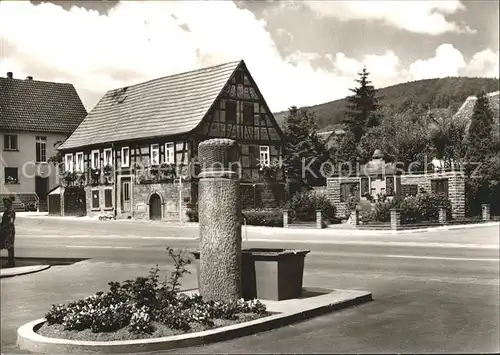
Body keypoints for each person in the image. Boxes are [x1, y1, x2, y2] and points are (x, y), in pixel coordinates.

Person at [1, 196, 16, 267]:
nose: (5, 204)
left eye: (6, 203)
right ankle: (10, 261)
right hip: (5, 230)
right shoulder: (7, 210)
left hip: (9, 230)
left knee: (10, 246)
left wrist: (4, 226)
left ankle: (11, 262)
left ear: (10, 203)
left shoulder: (11, 211)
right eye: (4, 203)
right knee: (8, 245)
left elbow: (11, 221)